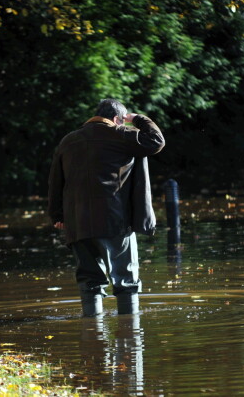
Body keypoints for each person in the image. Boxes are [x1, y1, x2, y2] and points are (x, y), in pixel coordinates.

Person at [47, 99, 165, 316]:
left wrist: (57, 215)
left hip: (77, 223)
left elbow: (56, 181)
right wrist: (137, 119)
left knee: (89, 280)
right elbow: (156, 141)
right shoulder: (122, 134)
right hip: (114, 220)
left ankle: (92, 332)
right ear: (116, 119)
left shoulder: (68, 141)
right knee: (126, 280)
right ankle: (130, 338)